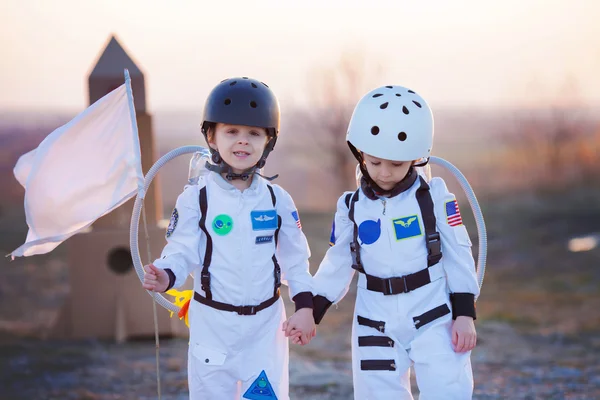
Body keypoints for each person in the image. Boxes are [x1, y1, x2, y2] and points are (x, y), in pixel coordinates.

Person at [142, 77, 315, 399]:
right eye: (231, 131)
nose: (243, 142)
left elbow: (295, 260)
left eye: (253, 133)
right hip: (213, 326)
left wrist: (305, 307)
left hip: (265, 328)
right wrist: (167, 275)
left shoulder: (278, 200)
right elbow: (181, 249)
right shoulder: (197, 198)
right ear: (211, 136)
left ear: (269, 141)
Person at [304, 85, 480, 399]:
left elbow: (459, 254)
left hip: (433, 313)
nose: (384, 172)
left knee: (448, 391)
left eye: (396, 164)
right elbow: (338, 263)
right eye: (374, 162)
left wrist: (464, 313)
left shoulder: (434, 197)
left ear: (416, 156)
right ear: (360, 153)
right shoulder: (351, 207)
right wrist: (311, 310)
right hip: (374, 319)